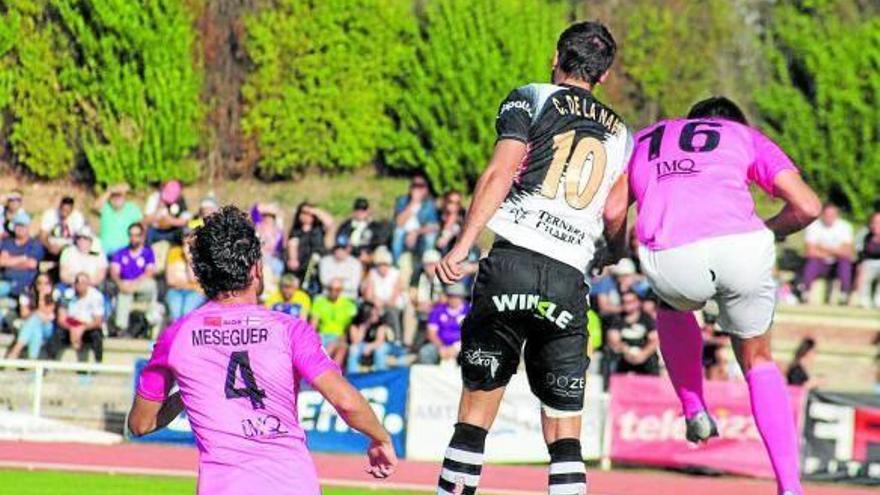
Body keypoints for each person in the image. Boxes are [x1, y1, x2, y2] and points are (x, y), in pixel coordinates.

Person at [435, 22, 631, 495]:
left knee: (475, 413)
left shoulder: (530, 97)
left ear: (555, 57)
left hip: (512, 263)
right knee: (565, 432)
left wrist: (463, 244)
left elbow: (501, 171)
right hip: (567, 277)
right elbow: (615, 211)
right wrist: (614, 252)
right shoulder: (622, 134)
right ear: (603, 76)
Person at [620, 96, 821, 495]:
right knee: (758, 359)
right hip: (741, 249)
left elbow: (613, 211)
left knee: (671, 303)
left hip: (674, 254)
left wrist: (613, 249)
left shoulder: (647, 137)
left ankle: (693, 407)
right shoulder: (745, 136)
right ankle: (790, 486)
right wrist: (768, 230)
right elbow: (808, 206)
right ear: (734, 123)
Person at [127, 206, 396, 494]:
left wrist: (188, 392)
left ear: (202, 275)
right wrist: (381, 438)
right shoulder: (289, 329)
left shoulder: (177, 336)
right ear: (256, 268)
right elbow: (345, 401)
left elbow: (140, 424)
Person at [800, 203, 854, 303]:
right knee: (812, 262)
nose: (829, 218)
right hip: (820, 262)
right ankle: (805, 293)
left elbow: (847, 252)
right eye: (827, 215)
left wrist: (822, 248)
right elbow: (809, 251)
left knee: (845, 263)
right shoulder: (813, 226)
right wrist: (835, 251)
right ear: (822, 215)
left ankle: (844, 294)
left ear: (837, 215)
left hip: (837, 263)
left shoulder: (845, 227)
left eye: (832, 215)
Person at [110, 223, 158, 333]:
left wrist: (134, 284)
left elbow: (149, 272)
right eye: (131, 235)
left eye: (136, 235)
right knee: (124, 292)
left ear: (142, 237)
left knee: (152, 284)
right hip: (125, 284)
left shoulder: (148, 253)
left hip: (141, 285)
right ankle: (121, 327)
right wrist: (120, 283)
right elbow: (114, 272)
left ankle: (151, 319)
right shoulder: (120, 253)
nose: (133, 238)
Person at [605, 291, 659, 376]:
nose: (627, 304)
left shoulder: (646, 319)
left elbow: (654, 340)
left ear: (638, 302)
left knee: (652, 360)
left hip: (645, 357)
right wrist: (627, 351)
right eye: (624, 302)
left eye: (630, 301)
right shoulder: (617, 319)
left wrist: (643, 354)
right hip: (624, 357)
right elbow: (613, 340)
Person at [5, 274, 56, 360]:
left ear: (50, 284)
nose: (42, 286)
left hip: (47, 328)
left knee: (35, 319)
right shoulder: (27, 295)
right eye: (39, 283)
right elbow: (24, 314)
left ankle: (15, 350)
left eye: (46, 283)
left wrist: (42, 296)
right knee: (36, 330)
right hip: (32, 325)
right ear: (35, 284)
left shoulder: (54, 294)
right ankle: (32, 360)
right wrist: (37, 313)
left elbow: (46, 312)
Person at [56, 272, 105, 362]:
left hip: (88, 327)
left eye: (83, 282)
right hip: (71, 325)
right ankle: (50, 363)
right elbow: (61, 318)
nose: (80, 285)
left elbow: (98, 321)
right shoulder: (67, 294)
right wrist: (72, 328)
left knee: (96, 335)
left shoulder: (96, 296)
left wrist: (82, 328)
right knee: (58, 334)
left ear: (88, 284)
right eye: (77, 282)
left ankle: (98, 362)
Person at [309, 278, 358, 366]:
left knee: (340, 348)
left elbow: (351, 327)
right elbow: (313, 325)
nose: (333, 292)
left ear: (341, 290)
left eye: (337, 290)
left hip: (339, 337)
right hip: (322, 335)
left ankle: (328, 370)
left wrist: (345, 338)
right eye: (330, 289)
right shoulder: (319, 302)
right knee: (329, 346)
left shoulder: (349, 305)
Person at [391, 175, 439, 262]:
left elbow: (434, 227)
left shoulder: (429, 204)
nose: (417, 189)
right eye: (415, 186)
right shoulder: (402, 201)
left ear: (426, 189)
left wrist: (415, 232)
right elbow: (398, 223)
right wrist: (412, 204)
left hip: (420, 234)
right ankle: (396, 263)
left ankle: (427, 264)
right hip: (404, 233)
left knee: (430, 237)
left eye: (421, 186)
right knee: (398, 232)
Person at [418, 284, 469, 364]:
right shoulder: (438, 311)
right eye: (451, 296)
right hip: (440, 345)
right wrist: (441, 348)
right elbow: (431, 333)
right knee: (426, 352)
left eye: (457, 296)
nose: (454, 299)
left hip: (462, 346)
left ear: (462, 297)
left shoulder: (469, 311)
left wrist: (456, 347)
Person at [363, 246, 404, 342]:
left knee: (391, 312)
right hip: (375, 303)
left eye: (385, 265)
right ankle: (367, 338)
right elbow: (368, 295)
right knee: (367, 311)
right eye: (380, 265)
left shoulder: (395, 274)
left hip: (391, 303)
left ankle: (397, 339)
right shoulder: (372, 273)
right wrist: (376, 302)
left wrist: (382, 304)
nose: (383, 267)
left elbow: (394, 297)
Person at [0, 211, 45, 300]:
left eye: (23, 225)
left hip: (26, 285)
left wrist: (9, 261)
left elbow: (31, 264)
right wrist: (23, 258)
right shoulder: (7, 242)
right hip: (6, 282)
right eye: (18, 225)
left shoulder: (35, 244)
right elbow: (2, 262)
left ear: (28, 227)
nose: (20, 228)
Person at [286, 202, 333, 284]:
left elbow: (329, 222)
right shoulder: (296, 231)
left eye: (309, 214)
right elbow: (292, 245)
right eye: (303, 213)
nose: (306, 216)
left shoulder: (319, 229)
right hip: (302, 262)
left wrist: (314, 210)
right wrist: (293, 259)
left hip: (318, 260)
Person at [95, 183, 143, 257]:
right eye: (114, 196)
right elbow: (95, 206)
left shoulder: (132, 208)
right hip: (104, 252)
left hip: (124, 253)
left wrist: (138, 245)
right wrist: (110, 191)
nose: (116, 198)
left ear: (124, 197)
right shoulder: (106, 207)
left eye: (119, 196)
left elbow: (141, 227)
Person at [346, 302, 392, 374]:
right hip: (362, 345)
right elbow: (355, 341)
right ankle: (353, 375)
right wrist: (363, 326)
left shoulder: (380, 324)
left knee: (380, 349)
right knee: (353, 348)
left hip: (377, 345)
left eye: (377, 313)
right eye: (373, 314)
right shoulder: (355, 324)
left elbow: (380, 341)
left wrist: (369, 347)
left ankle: (381, 373)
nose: (376, 315)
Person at [165, 243, 205, 322]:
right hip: (176, 291)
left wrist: (189, 260)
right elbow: (170, 280)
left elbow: (194, 279)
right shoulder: (175, 252)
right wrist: (192, 286)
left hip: (195, 293)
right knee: (176, 316)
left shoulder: (202, 253)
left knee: (186, 313)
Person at [144, 181, 191, 245]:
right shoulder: (154, 198)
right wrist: (158, 210)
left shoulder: (179, 199)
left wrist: (171, 221)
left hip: (173, 231)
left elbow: (186, 221)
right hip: (156, 231)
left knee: (185, 231)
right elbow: (146, 221)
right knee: (148, 232)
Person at [855, 212, 880, 308]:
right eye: (875, 222)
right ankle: (864, 300)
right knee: (863, 274)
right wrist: (860, 266)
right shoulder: (864, 234)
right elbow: (860, 253)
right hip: (867, 262)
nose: (877, 225)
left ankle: (878, 300)